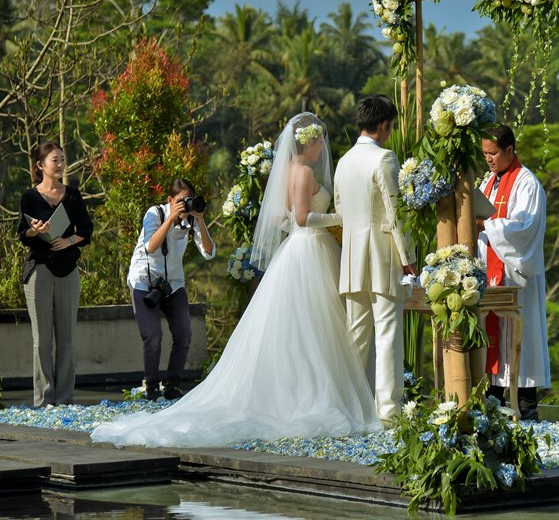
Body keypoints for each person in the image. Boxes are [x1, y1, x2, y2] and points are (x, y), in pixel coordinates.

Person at [91, 113, 380, 448]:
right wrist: (338, 218)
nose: (322, 148)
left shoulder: (285, 172)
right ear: (310, 142)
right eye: (319, 141)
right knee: (317, 327)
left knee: (302, 328)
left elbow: (279, 219)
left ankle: (300, 389)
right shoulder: (303, 172)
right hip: (310, 251)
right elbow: (301, 218)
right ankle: (315, 394)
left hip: (299, 250)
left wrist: (305, 228)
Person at [335, 95, 417, 421]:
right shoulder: (384, 158)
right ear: (383, 125)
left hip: (352, 258)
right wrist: (408, 257)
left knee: (356, 337)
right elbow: (396, 213)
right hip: (382, 256)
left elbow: (340, 213)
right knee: (388, 335)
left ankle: (350, 408)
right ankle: (389, 413)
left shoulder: (343, 161)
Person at [477, 125, 550, 420]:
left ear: (510, 150)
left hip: (515, 273)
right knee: (494, 337)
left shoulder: (526, 183)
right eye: (484, 154)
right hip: (489, 271)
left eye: (493, 153)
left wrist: (486, 226)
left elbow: (524, 227)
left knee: (522, 338)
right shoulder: (488, 183)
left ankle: (526, 404)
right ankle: (493, 399)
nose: (489, 160)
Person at [123, 178, 215, 401]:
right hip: (145, 281)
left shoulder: (190, 221)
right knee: (152, 335)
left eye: (189, 200)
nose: (185, 205)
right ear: (170, 200)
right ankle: (152, 388)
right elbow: (151, 246)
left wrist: (199, 220)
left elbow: (209, 252)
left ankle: (172, 386)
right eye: (181, 201)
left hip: (172, 283)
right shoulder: (154, 214)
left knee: (184, 333)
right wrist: (171, 219)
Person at [17, 142, 93, 407]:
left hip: (68, 271)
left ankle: (64, 398)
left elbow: (86, 230)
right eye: (54, 160)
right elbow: (22, 234)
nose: (60, 164)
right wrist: (35, 231)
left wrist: (69, 240)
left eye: (62, 159)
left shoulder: (72, 196)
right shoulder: (29, 197)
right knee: (42, 340)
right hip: (38, 271)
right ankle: (43, 399)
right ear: (40, 166)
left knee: (67, 339)